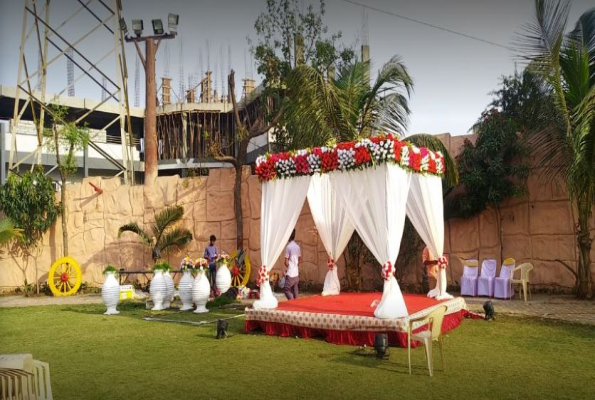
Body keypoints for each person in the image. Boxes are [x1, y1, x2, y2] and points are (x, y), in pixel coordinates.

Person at [284, 229, 301, 300]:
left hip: (290, 273)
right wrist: (295, 265)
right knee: (295, 291)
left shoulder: (288, 247)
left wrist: (288, 266)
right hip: (296, 274)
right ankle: (296, 303)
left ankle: (292, 301)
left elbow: (286, 262)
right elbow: (299, 259)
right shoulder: (297, 247)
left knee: (286, 289)